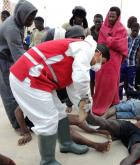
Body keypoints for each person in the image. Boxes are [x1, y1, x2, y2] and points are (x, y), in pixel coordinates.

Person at [9, 35, 110, 164]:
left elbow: (73, 88)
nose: (99, 66)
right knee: (48, 120)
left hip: (40, 79)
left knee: (61, 112)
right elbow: (81, 78)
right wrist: (86, 101)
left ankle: (66, 143)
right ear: (98, 53)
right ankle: (47, 160)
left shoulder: (79, 53)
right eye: (102, 61)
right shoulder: (86, 48)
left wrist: (83, 106)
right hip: (28, 77)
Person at [0, 0, 37, 130]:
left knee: (17, 88)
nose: (31, 22)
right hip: (3, 61)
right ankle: (17, 124)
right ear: (22, 14)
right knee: (9, 92)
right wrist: (37, 72)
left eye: (32, 18)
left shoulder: (19, 22)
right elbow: (20, 58)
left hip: (8, 56)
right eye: (29, 18)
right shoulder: (11, 29)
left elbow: (20, 49)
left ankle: (21, 118)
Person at [92, 6, 128, 116]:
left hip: (115, 62)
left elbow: (123, 46)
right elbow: (100, 45)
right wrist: (96, 63)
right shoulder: (103, 28)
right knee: (100, 83)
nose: (111, 18)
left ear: (117, 17)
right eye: (110, 16)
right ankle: (98, 106)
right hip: (102, 61)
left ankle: (112, 105)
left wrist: (109, 40)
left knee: (113, 83)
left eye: (113, 16)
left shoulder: (123, 30)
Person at [119, 22, 140, 100]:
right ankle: (119, 99)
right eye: (134, 30)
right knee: (120, 82)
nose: (135, 32)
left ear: (138, 30)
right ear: (131, 29)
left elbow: (139, 51)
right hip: (123, 63)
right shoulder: (126, 38)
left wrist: (138, 62)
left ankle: (129, 99)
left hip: (132, 64)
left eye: (137, 31)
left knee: (131, 84)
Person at [90, 14, 103, 96]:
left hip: (102, 58)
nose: (97, 23)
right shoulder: (90, 32)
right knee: (92, 78)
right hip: (92, 57)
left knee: (100, 79)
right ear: (93, 21)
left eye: (99, 21)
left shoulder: (104, 31)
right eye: (96, 21)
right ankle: (92, 95)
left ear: (102, 22)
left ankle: (99, 95)